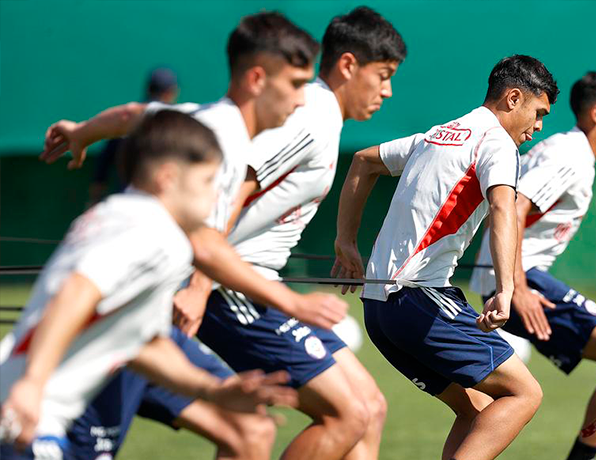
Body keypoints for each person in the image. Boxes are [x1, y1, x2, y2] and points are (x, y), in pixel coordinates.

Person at [38, 12, 346, 459]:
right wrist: (292, 302)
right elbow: (204, 244)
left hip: (147, 327)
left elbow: (133, 114)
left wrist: (82, 131)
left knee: (249, 429)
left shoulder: (199, 119)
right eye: (296, 84)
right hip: (103, 331)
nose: (303, 100)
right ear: (258, 79)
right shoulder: (217, 141)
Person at [0, 111, 296, 459]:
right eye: (207, 182)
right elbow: (76, 292)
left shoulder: (124, 217)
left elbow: (143, 345)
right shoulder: (150, 228)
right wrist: (33, 383)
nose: (218, 197)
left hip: (27, 419)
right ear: (167, 178)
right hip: (27, 420)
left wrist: (214, 391)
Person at [198, 7, 406, 459]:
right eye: (383, 75)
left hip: (254, 285)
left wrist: (344, 241)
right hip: (228, 285)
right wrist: (198, 282)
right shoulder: (311, 111)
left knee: (369, 408)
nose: (388, 91)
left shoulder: (321, 115)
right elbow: (238, 187)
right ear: (349, 65)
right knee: (348, 413)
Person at [333, 55, 558, 460]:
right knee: (524, 393)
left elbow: (362, 162)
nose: (538, 127)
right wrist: (506, 290)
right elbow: (505, 209)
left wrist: (346, 243)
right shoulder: (497, 143)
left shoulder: (439, 134)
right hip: (418, 298)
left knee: (478, 411)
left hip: (379, 311)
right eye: (538, 113)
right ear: (512, 99)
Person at [470, 71, 596, 460]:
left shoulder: (570, 151)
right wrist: (518, 288)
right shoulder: (571, 154)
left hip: (515, 276)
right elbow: (512, 209)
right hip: (518, 279)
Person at [89, 67, 179, 204]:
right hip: (162, 203)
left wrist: (94, 199)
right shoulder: (177, 122)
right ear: (170, 92)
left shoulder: (127, 119)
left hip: (126, 199)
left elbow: (103, 163)